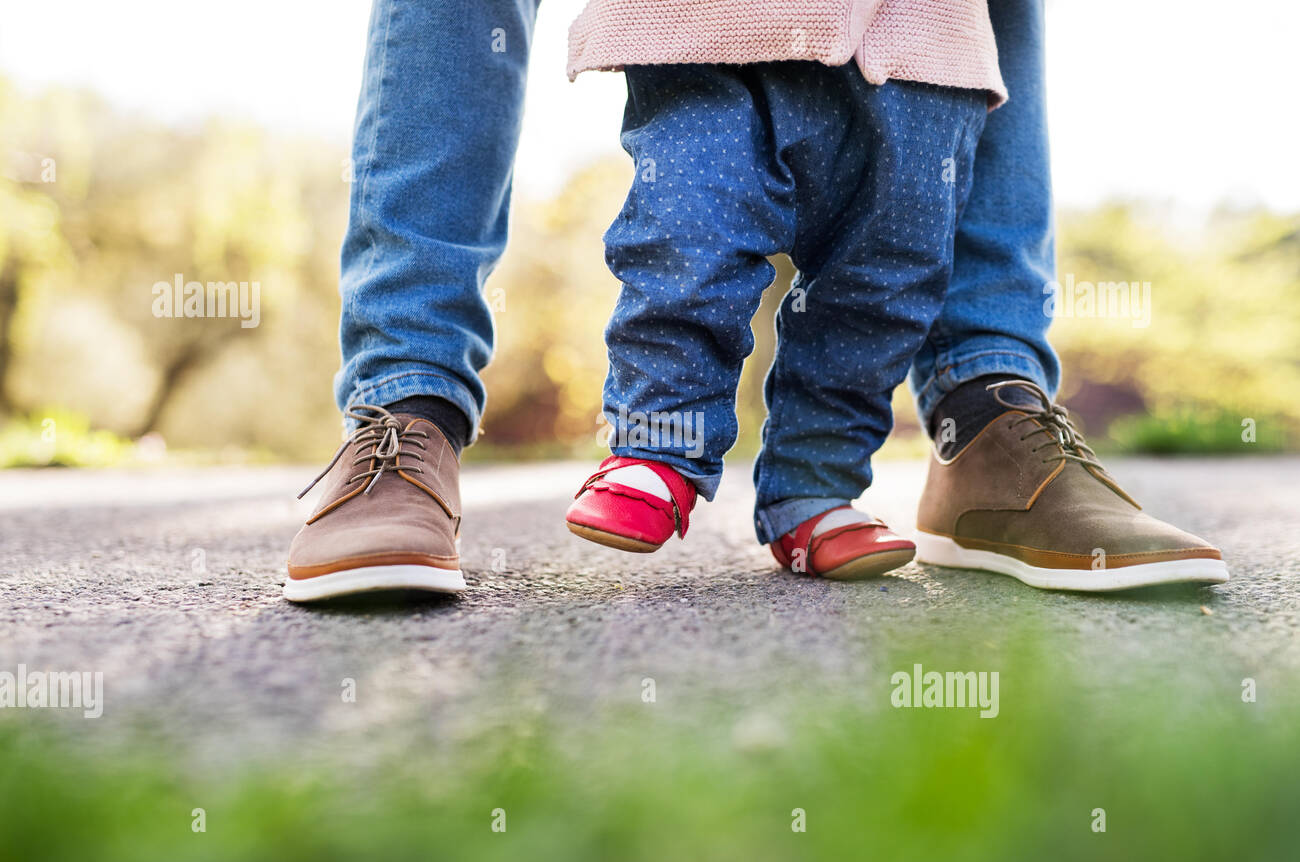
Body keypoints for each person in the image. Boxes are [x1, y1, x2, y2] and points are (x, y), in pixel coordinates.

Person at [282, 0, 1226, 602]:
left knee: (877, 293)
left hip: (922, 52)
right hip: (710, 26)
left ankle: (831, 485)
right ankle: (533, 428)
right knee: (686, 247)